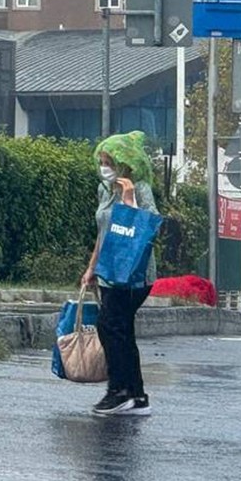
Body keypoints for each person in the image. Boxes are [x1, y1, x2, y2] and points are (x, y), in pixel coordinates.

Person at [80, 131, 160, 416]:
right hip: (108, 270)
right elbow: (102, 232)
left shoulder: (139, 187)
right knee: (120, 329)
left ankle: (120, 390)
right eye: (102, 161)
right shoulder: (104, 189)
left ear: (124, 163)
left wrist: (129, 200)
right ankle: (136, 395)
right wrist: (91, 267)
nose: (105, 166)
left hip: (134, 275)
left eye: (109, 161)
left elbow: (148, 226)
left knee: (110, 325)